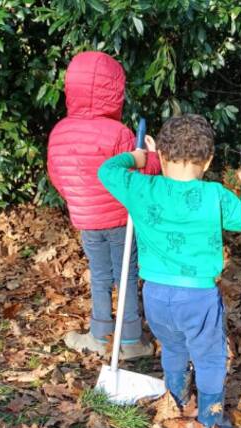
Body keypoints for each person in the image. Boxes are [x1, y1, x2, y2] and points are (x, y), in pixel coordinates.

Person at [98, 114, 241, 428]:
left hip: (156, 295)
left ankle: (174, 398)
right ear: (209, 159)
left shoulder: (141, 187)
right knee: (210, 357)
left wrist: (136, 157)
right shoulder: (214, 195)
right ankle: (210, 416)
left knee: (173, 347)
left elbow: (107, 171)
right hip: (198, 297)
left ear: (160, 154)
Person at [47, 51, 160, 360]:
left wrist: (77, 200)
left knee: (99, 274)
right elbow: (141, 176)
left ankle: (99, 334)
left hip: (86, 219)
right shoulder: (121, 134)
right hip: (121, 221)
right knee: (126, 273)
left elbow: (57, 174)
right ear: (114, 92)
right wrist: (153, 157)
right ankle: (131, 339)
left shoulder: (60, 132)